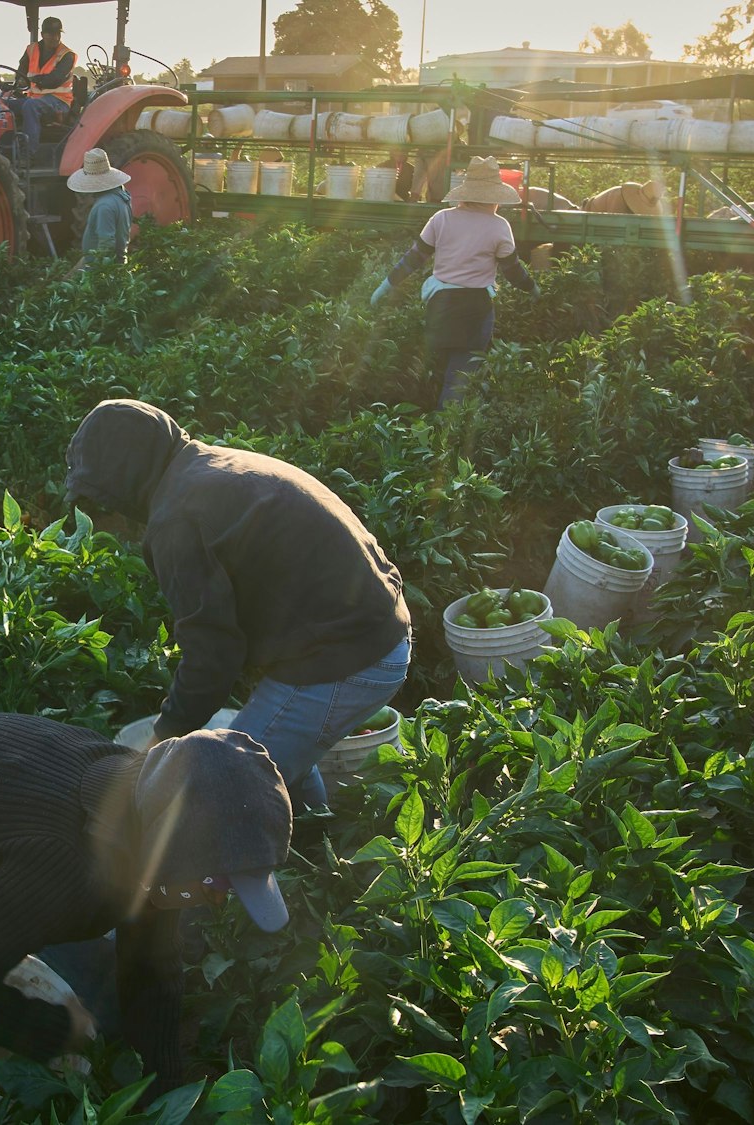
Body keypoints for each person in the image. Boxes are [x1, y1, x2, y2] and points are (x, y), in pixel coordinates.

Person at [0, 710, 293, 1125]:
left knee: (97, 982)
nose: (218, 899)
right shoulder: (64, 866)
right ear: (176, 850)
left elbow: (152, 968)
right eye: (218, 882)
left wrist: (165, 1091)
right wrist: (54, 1033)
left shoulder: (151, 804)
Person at [63, 399, 411, 812]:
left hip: (348, 660)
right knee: (281, 756)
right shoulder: (212, 465)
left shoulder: (177, 521)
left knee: (228, 784)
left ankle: (295, 849)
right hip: (377, 630)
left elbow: (212, 654)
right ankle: (316, 840)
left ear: (123, 474)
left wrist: (161, 740)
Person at [371, 156, 541, 406]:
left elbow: (414, 258)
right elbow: (512, 271)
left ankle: (419, 421)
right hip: (475, 310)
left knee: (435, 372)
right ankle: (445, 427)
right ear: (494, 197)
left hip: (440, 307)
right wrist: (533, 288)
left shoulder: (441, 218)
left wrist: (385, 286)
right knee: (459, 380)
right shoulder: (499, 226)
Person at [8, 16, 76, 153]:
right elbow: (21, 72)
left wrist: (33, 79)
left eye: (57, 34)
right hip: (35, 98)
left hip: (59, 101)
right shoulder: (31, 50)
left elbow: (54, 80)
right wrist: (18, 83)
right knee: (2, 104)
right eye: (51, 34)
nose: (55, 37)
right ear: (42, 34)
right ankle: (4, 146)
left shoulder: (67, 55)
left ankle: (28, 153)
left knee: (30, 106)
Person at [67, 148, 133, 275]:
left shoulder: (104, 206)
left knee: (66, 285)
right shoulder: (122, 196)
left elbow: (106, 244)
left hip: (100, 266)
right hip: (113, 262)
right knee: (67, 279)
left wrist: (96, 274)